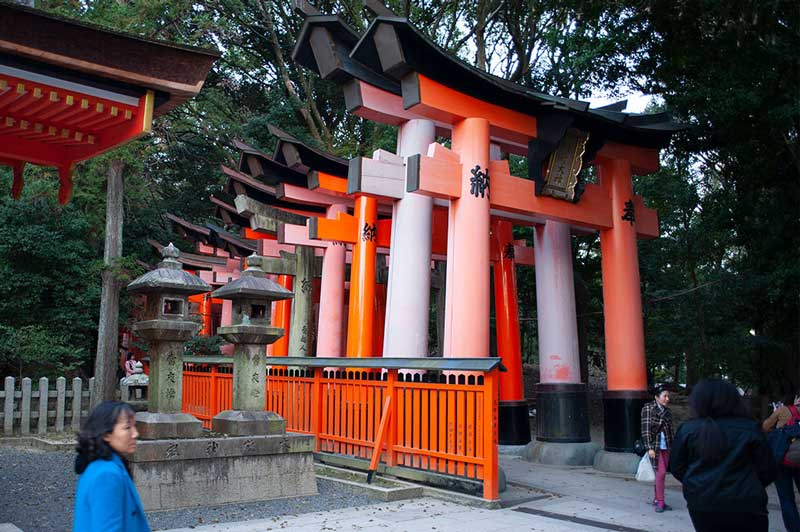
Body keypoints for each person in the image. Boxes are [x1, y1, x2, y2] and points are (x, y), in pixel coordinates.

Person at [670, 379, 777, 532]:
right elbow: (768, 469)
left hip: (703, 503)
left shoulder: (688, 430)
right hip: (746, 502)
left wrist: (696, 482)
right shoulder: (750, 428)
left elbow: (677, 467)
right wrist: (750, 483)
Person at [73, 400, 150, 532]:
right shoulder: (107, 475)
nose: (135, 434)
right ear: (106, 434)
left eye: (134, 426)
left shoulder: (100, 465)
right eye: (127, 427)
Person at [763, 390, 800, 532]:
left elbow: (765, 426)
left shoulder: (784, 410)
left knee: (787, 499)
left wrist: (777, 414)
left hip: (783, 460)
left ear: (796, 398)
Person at [640, 385, 674, 513]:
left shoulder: (668, 411)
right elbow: (645, 430)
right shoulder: (648, 409)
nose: (667, 399)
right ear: (656, 397)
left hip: (667, 446)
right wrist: (649, 448)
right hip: (655, 446)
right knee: (661, 473)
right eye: (664, 396)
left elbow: (671, 430)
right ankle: (660, 502)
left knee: (661, 475)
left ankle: (656, 498)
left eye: (667, 396)